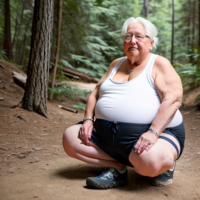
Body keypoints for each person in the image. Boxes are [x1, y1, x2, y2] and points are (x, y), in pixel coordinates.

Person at [62, 16, 185, 189]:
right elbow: (95, 93)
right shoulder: (115, 64)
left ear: (151, 43)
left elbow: (174, 100)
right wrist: (88, 119)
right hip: (108, 137)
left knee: (149, 163)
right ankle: (117, 168)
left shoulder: (158, 64)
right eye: (128, 36)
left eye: (139, 36)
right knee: (70, 139)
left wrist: (153, 132)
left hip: (157, 135)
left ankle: (166, 164)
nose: (132, 41)